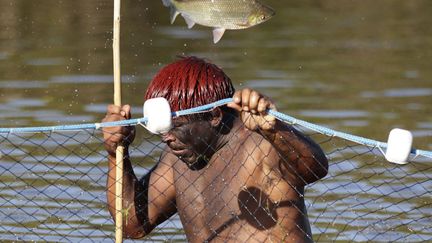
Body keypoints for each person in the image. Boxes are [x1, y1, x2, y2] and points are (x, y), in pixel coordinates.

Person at [102, 56, 328, 242]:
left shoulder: (261, 144)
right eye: (162, 131)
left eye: (177, 127)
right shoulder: (176, 159)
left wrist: (274, 129)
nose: (167, 138)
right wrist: (116, 152)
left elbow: (315, 169)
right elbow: (133, 225)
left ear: (214, 116)